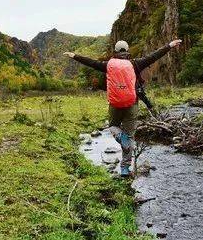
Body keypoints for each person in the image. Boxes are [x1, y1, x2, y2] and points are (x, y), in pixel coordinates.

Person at [64, 38, 182, 176]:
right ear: (127, 51)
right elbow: (154, 56)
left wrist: (75, 56)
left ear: (115, 51)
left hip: (115, 104)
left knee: (113, 126)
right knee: (130, 136)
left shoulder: (108, 65)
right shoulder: (135, 64)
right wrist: (169, 45)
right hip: (132, 103)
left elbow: (92, 63)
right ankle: (125, 168)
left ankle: (120, 136)